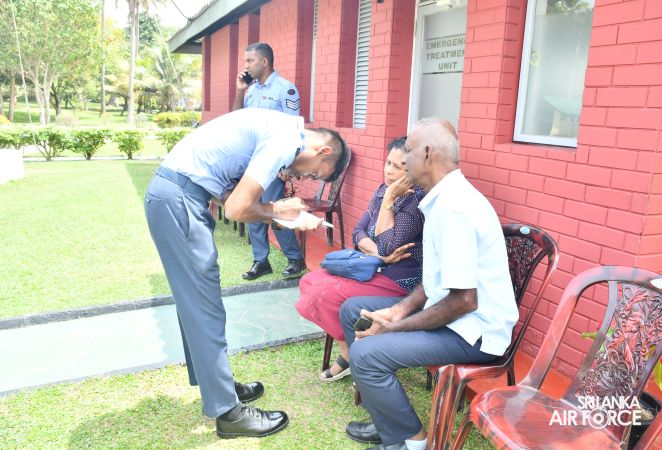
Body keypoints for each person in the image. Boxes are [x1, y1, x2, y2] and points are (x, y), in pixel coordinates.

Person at [144, 107, 349, 440]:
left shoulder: (281, 127)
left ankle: (219, 388)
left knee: (196, 304)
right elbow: (237, 209)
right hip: (179, 199)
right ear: (323, 151)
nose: (303, 178)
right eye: (314, 173)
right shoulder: (285, 139)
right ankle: (229, 413)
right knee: (203, 306)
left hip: (178, 195)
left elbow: (230, 196)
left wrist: (278, 214)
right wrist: (277, 210)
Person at [339, 118, 518, 450]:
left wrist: (395, 327)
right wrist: (399, 310)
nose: (402, 159)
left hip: (474, 332)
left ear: (426, 154)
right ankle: (387, 418)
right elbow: (437, 279)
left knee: (364, 353)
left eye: (407, 151)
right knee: (354, 310)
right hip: (454, 317)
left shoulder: (454, 208)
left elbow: (464, 301)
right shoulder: (442, 198)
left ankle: (411, 441)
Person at [294, 137, 425, 381]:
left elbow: (388, 244)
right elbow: (358, 233)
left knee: (326, 293)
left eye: (399, 167)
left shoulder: (415, 201)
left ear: (414, 171)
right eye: (388, 163)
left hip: (399, 279)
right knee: (309, 281)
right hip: (375, 268)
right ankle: (350, 351)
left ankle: (350, 357)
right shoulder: (382, 190)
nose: (389, 171)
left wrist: (389, 201)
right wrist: (381, 256)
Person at [232, 42, 306, 281]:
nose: (246, 66)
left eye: (250, 60)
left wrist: (288, 167)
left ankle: (295, 258)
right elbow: (237, 120)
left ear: (264, 62)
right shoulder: (251, 90)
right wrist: (240, 91)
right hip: (253, 161)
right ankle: (261, 261)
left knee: (274, 210)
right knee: (252, 209)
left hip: (275, 162)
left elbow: (294, 130)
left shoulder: (286, 89)